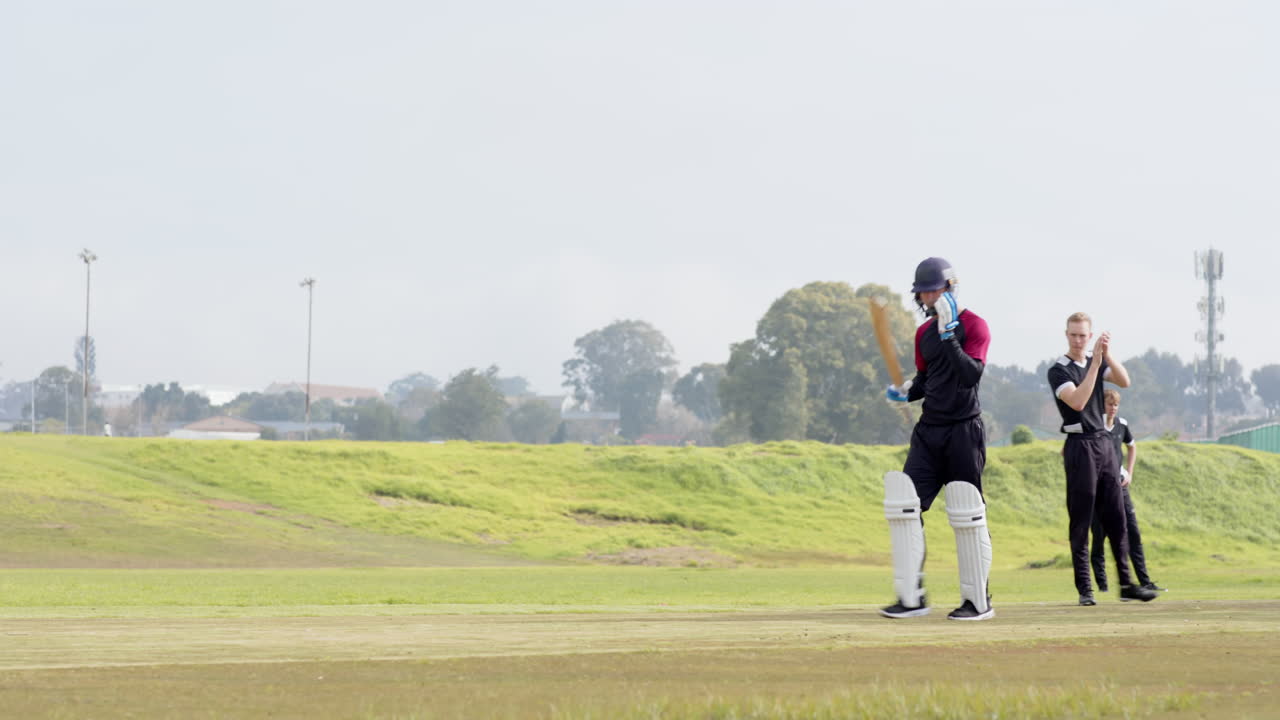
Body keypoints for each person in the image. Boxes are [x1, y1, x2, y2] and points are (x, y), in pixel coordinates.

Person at [881, 257, 994, 621]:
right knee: (905, 505)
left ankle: (977, 601)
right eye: (923, 293)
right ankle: (911, 597)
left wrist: (950, 337)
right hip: (929, 432)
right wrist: (906, 391)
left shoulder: (975, 326)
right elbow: (927, 380)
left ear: (950, 288)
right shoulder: (923, 334)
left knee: (967, 511)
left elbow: (969, 375)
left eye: (934, 290)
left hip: (964, 430)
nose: (928, 298)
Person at [1047, 313, 1156, 605]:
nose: (1078, 341)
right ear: (1066, 335)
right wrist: (1095, 364)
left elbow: (1124, 381)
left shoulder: (1095, 361)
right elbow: (1078, 401)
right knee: (1081, 518)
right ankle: (1085, 589)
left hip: (1104, 444)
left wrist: (1106, 355)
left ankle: (1126, 584)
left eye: (1083, 335)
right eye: (1073, 335)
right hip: (1079, 445)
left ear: (1090, 336)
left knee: (1117, 518)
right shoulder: (1059, 370)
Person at [1089, 389, 1164, 593]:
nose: (1113, 408)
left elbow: (1132, 446)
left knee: (1133, 533)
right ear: (1102, 405)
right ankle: (1102, 585)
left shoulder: (1122, 424)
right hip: (1099, 490)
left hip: (1119, 487)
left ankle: (1145, 581)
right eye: (1109, 404)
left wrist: (1129, 473)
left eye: (1116, 404)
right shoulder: (1093, 425)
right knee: (1099, 537)